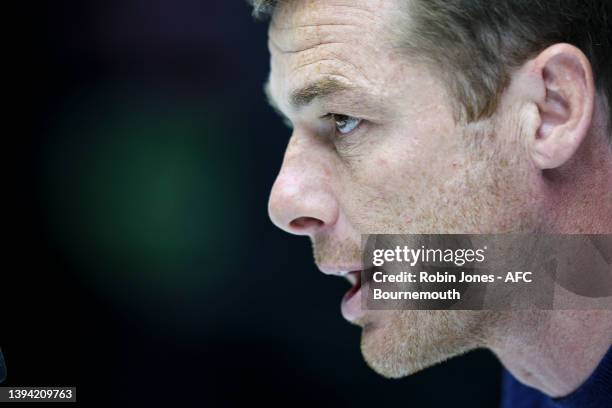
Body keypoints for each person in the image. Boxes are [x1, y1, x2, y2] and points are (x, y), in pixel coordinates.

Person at [251, 0, 612, 406]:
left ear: (550, 110)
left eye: (342, 120)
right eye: (290, 126)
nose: (283, 202)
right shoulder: (541, 382)